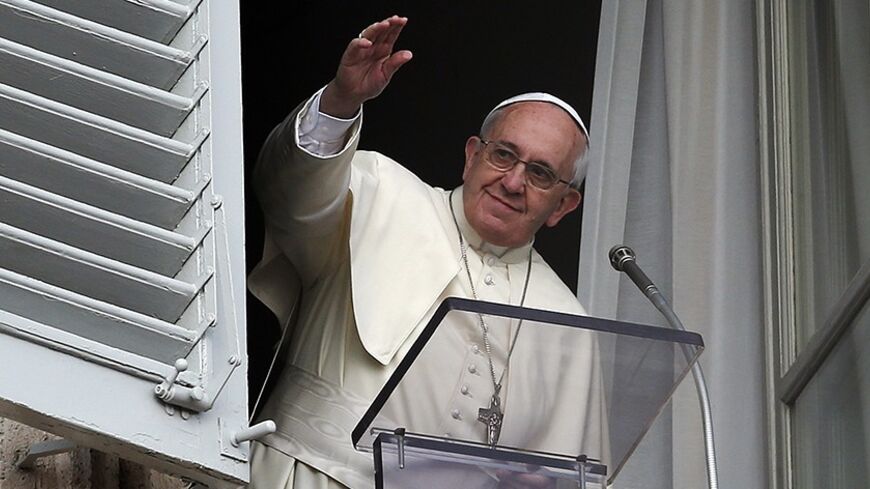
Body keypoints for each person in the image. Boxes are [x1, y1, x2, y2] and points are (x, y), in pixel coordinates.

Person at [247, 15, 607, 489]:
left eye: (540, 173)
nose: (514, 182)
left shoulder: (569, 327)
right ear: (472, 154)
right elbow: (285, 191)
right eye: (503, 154)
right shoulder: (377, 190)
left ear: (564, 205)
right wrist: (341, 100)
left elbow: (570, 477)